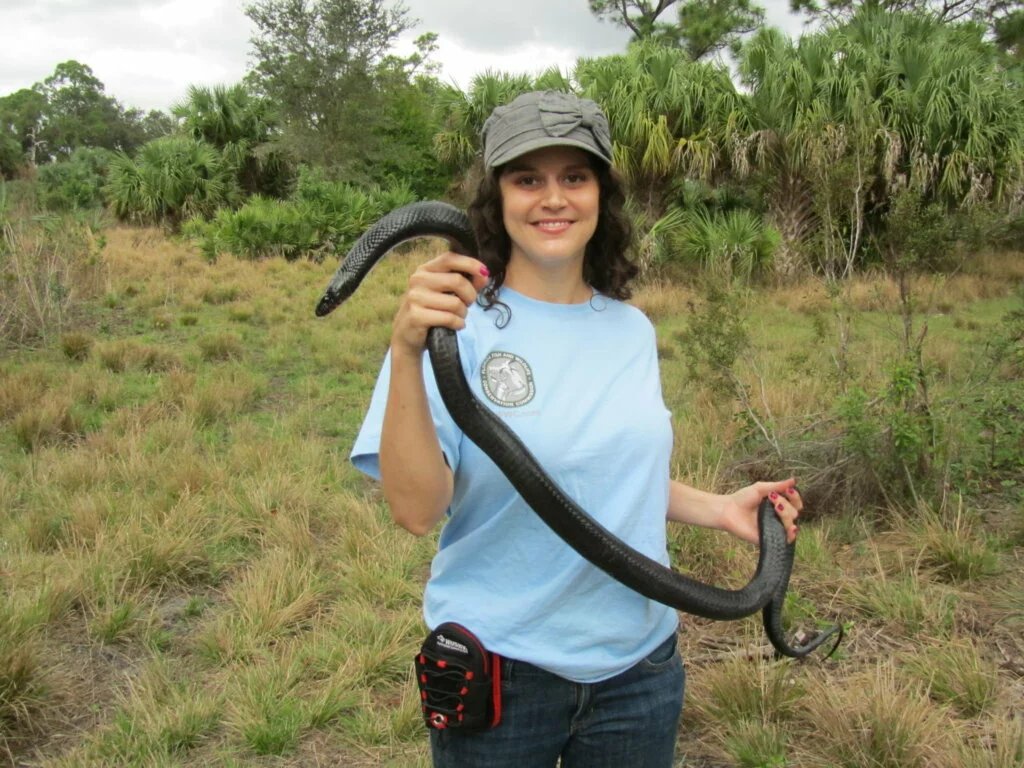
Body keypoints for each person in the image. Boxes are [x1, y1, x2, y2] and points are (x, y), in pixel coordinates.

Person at [350, 90, 802, 768]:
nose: (552, 198)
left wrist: (719, 508)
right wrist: (408, 353)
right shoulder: (452, 326)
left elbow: (602, 472)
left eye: (574, 177)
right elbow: (417, 511)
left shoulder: (630, 330)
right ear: (496, 198)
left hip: (639, 671)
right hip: (505, 670)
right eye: (527, 178)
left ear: (601, 195)